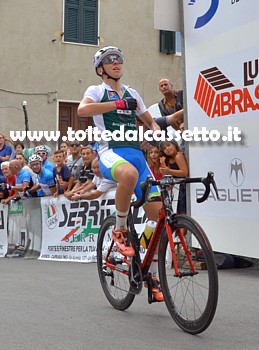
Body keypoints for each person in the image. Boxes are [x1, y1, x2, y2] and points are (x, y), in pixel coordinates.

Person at [77, 46, 163, 300]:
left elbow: (150, 120)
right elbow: (82, 110)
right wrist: (116, 103)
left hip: (138, 155)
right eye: (109, 61)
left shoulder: (133, 93)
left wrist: (156, 130)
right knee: (126, 175)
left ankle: (153, 274)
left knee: (158, 218)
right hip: (110, 153)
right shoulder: (96, 90)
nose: (116, 63)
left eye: (119, 60)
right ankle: (120, 229)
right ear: (100, 69)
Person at [160, 140, 188, 214]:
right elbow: (168, 176)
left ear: (174, 145)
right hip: (176, 190)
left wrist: (168, 170)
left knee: (183, 212)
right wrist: (164, 165)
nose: (167, 149)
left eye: (168, 145)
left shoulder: (178, 156)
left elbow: (184, 172)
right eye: (164, 148)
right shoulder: (169, 160)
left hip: (183, 188)